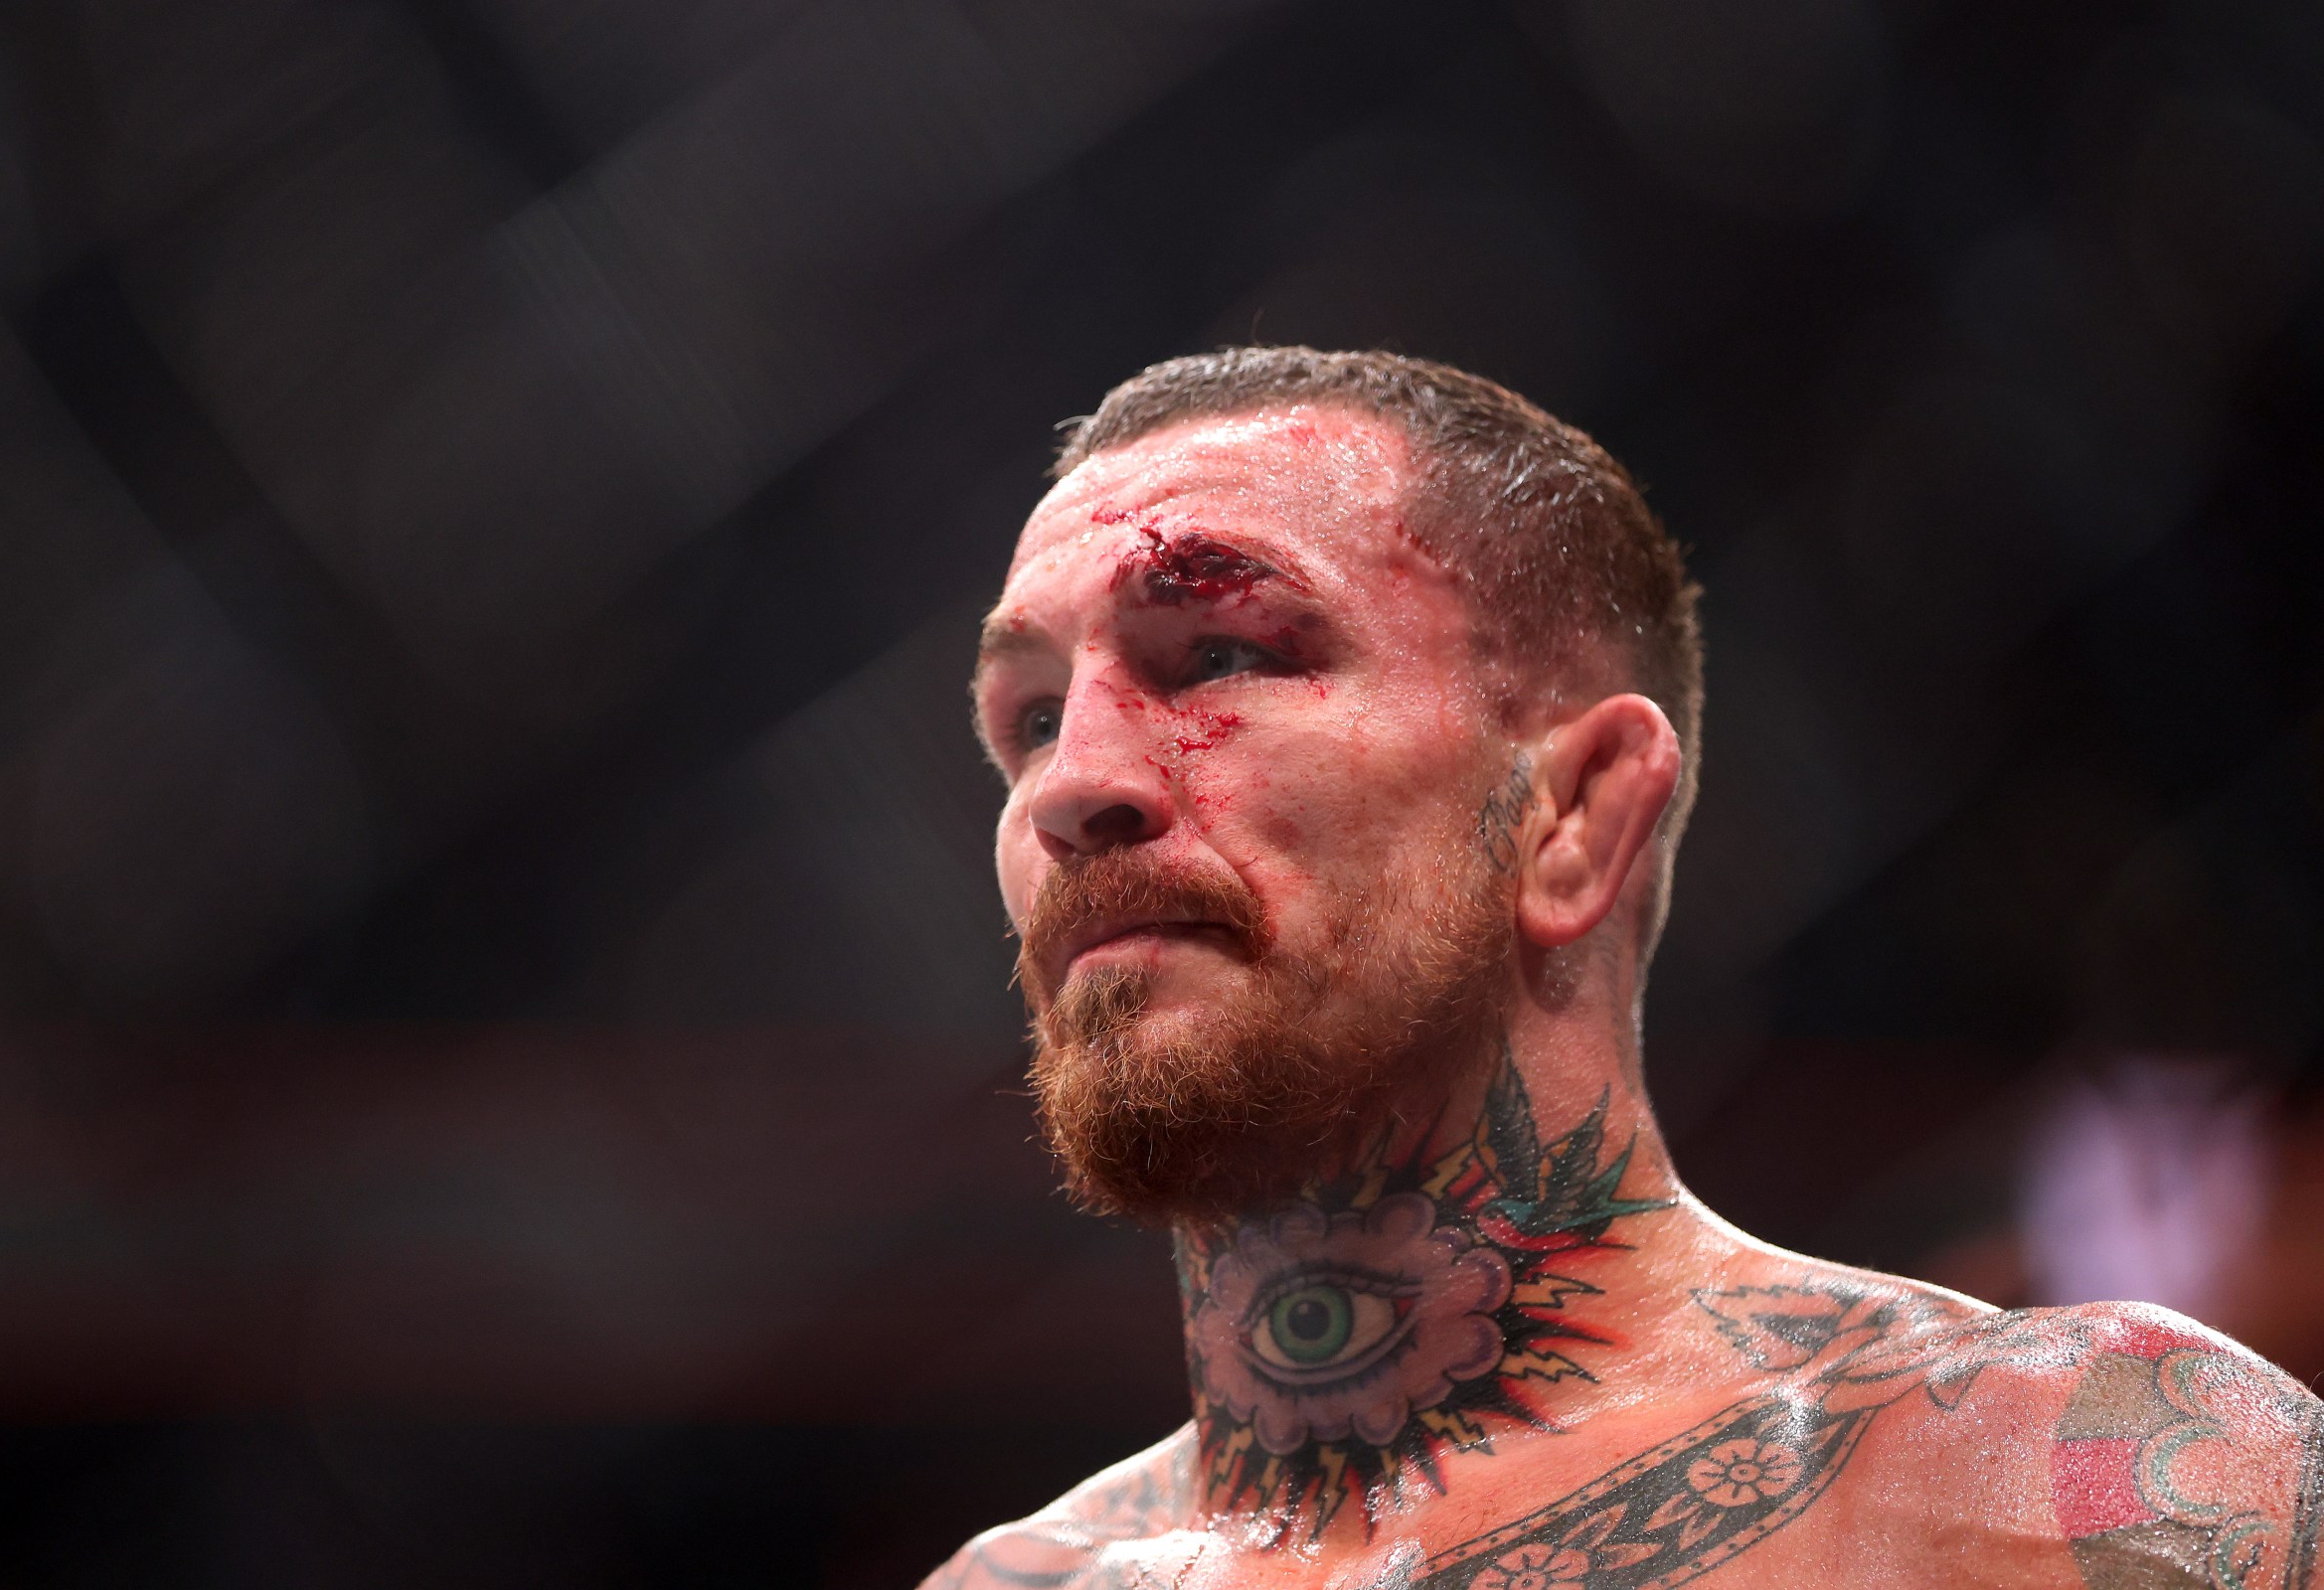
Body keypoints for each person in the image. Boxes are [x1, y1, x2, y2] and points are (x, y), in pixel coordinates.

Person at [927, 348, 2324, 1590]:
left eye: (1221, 654)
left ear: (1575, 812)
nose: (1074, 784)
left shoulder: (2079, 1494)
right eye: (1033, 716)